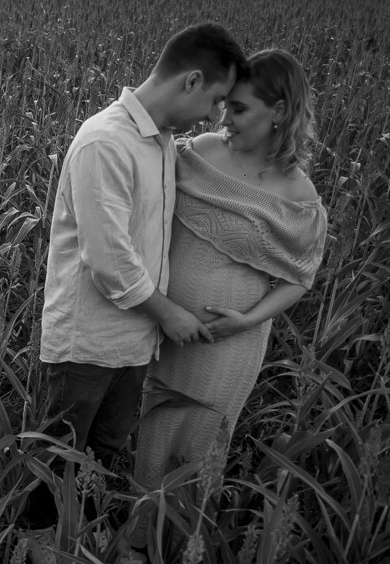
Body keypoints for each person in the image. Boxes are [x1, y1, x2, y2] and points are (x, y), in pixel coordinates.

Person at [21, 23, 248, 529]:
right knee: (58, 453)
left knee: (103, 452)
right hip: (89, 341)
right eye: (214, 100)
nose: (214, 116)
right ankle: (32, 555)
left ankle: (80, 540)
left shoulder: (163, 142)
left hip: (133, 340)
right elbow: (109, 260)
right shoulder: (106, 141)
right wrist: (169, 314)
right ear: (191, 81)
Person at [133, 49, 328, 503]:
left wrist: (248, 320)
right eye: (225, 105)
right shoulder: (199, 152)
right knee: (150, 437)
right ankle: (136, 543)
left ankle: (179, 555)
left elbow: (301, 277)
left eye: (239, 109)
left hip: (227, 345)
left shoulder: (298, 194)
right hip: (163, 326)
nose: (225, 118)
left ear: (279, 112)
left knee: (197, 450)